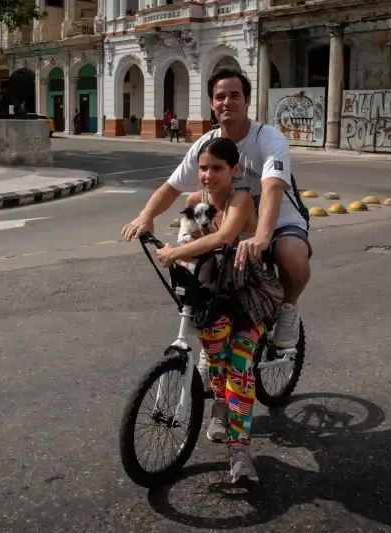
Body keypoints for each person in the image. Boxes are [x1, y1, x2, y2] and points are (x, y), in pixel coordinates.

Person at [121, 67, 312, 385]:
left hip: (275, 220)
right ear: (211, 103)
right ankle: (211, 349)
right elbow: (172, 187)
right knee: (201, 286)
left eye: (235, 95)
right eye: (220, 96)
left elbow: (273, 188)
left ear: (248, 100)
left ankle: (288, 310)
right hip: (231, 222)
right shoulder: (206, 144)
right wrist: (145, 215)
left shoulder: (268, 138)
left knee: (291, 257)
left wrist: (263, 237)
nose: (227, 102)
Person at [154, 137, 262, 483]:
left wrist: (173, 253)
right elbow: (188, 242)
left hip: (248, 294)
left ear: (235, 170)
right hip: (211, 294)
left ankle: (240, 452)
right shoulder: (193, 202)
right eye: (203, 168)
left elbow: (223, 238)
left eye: (217, 168)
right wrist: (147, 224)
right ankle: (218, 405)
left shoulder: (241, 199)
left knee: (240, 365)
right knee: (216, 361)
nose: (208, 175)